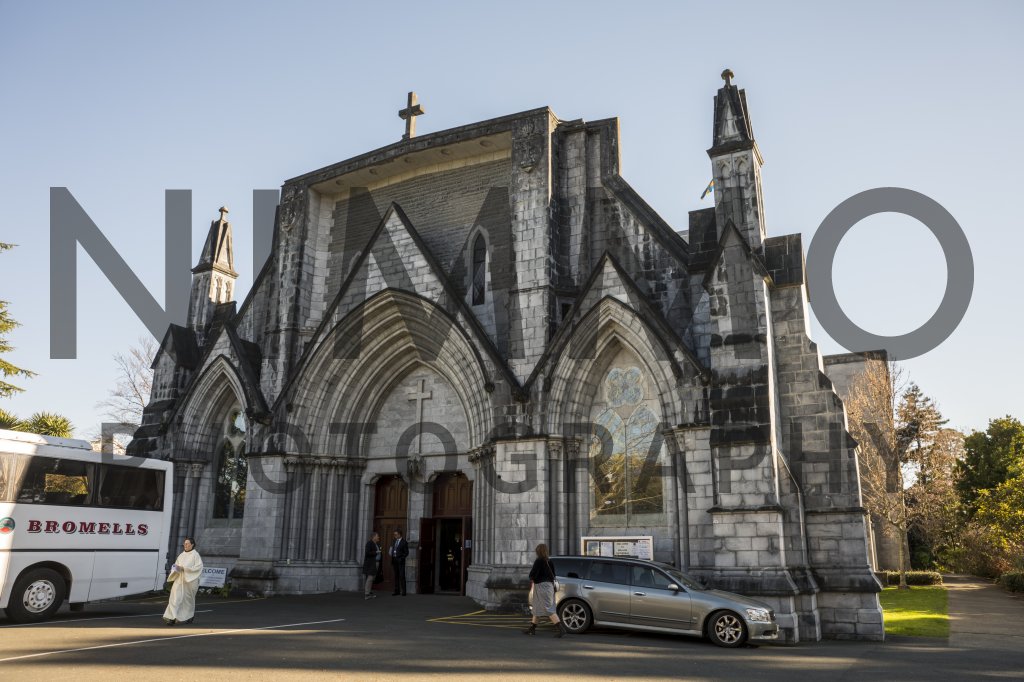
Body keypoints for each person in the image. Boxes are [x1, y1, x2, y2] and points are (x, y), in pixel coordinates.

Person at [522, 543, 567, 637]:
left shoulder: (539, 561)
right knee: (537, 607)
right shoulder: (549, 561)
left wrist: (533, 578)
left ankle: (561, 630)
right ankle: (532, 629)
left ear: (538, 551)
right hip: (549, 586)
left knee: (548, 609)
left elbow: (532, 574)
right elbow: (553, 574)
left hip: (541, 586)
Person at [163, 536, 204, 626]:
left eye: (187, 544)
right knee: (174, 598)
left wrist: (184, 569)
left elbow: (198, 568)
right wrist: (175, 568)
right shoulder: (181, 555)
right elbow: (176, 566)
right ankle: (171, 618)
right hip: (179, 580)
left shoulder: (195, 555)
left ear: (192, 545)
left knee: (187, 601)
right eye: (184, 544)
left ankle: (189, 616)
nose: (185, 545)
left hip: (190, 581)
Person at [362, 531, 382, 599]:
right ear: (373, 537)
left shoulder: (376, 544)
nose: (378, 537)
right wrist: (376, 552)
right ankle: (367, 594)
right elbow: (367, 553)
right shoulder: (369, 543)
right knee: (370, 578)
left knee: (372, 578)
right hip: (371, 563)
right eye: (377, 536)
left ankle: (369, 592)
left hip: (376, 562)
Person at [389, 529, 409, 596]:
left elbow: (406, 553)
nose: (395, 536)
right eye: (394, 534)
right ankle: (396, 591)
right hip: (394, 560)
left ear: (399, 534)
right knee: (396, 576)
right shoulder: (394, 541)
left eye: (396, 534)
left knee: (402, 576)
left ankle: (404, 591)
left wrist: (401, 558)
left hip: (400, 561)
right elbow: (392, 549)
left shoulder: (404, 542)